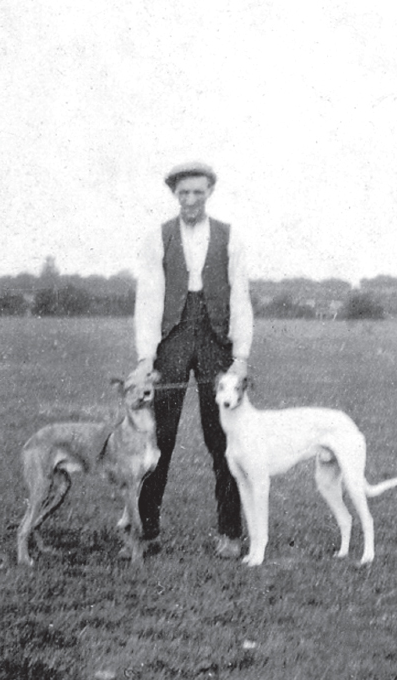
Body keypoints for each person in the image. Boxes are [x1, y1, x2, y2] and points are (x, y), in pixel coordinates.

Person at [132, 161, 254, 558]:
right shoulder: (158, 237)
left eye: (198, 192)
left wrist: (240, 356)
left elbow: (240, 299)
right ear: (174, 195)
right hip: (172, 337)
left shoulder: (230, 237)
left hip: (215, 339)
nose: (190, 199)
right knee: (157, 437)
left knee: (222, 437)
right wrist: (145, 356)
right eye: (183, 193)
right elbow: (149, 298)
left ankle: (230, 533)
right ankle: (146, 532)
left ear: (209, 192)